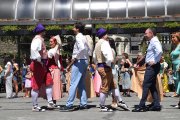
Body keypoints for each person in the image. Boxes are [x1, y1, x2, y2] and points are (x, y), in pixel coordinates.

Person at [93, 28, 129, 112]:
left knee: (113, 85)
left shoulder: (97, 43)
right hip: (105, 67)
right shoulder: (105, 43)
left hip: (101, 66)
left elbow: (94, 57)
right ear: (104, 35)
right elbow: (108, 55)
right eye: (106, 34)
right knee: (105, 87)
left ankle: (120, 101)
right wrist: (110, 61)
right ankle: (102, 106)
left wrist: (98, 64)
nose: (107, 35)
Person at [60, 22, 90, 111]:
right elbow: (88, 49)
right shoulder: (84, 37)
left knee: (73, 83)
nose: (73, 29)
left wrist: (75, 58)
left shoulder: (78, 37)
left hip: (79, 61)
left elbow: (82, 48)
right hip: (84, 60)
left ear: (77, 29)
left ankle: (69, 104)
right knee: (81, 84)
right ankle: (83, 103)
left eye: (74, 27)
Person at [132, 28, 163, 112]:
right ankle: (156, 105)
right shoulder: (152, 42)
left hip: (152, 67)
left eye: (146, 33)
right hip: (152, 66)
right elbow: (148, 55)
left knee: (145, 85)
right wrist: (139, 63)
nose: (145, 35)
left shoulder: (154, 41)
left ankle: (141, 105)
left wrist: (155, 61)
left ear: (151, 33)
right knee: (152, 86)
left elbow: (160, 51)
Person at [30, 23, 53, 112]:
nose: (44, 32)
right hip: (38, 64)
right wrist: (39, 60)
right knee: (36, 85)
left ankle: (50, 102)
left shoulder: (39, 39)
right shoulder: (37, 40)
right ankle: (35, 106)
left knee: (49, 81)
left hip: (42, 64)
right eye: (43, 30)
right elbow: (34, 50)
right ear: (41, 31)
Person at [47, 35, 64, 108]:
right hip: (55, 69)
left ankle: (52, 102)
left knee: (52, 86)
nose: (50, 43)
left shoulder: (53, 50)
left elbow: (50, 57)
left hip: (53, 70)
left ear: (55, 42)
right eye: (50, 41)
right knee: (53, 86)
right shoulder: (56, 50)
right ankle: (52, 102)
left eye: (51, 41)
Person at [170, 32, 180, 109]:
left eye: (174, 37)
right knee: (177, 83)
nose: (172, 39)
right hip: (175, 67)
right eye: (172, 37)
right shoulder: (175, 46)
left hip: (179, 66)